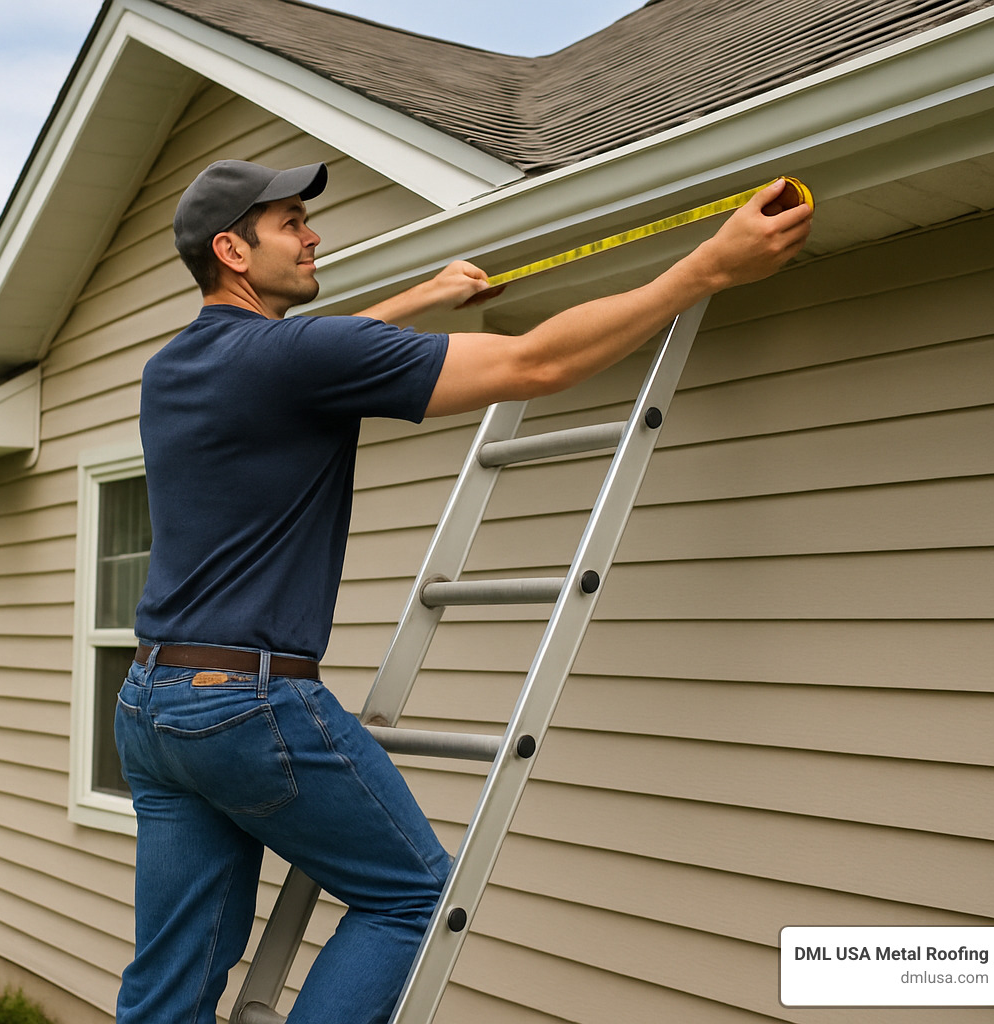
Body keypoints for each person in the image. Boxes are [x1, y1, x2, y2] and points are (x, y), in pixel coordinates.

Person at [114, 159, 811, 1024]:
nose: (313, 234)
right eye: (292, 221)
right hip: (247, 708)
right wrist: (709, 266)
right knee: (411, 899)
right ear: (233, 249)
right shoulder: (294, 356)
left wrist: (420, 298)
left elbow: (299, 357)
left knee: (174, 973)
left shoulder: (173, 368)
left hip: (154, 711)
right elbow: (534, 364)